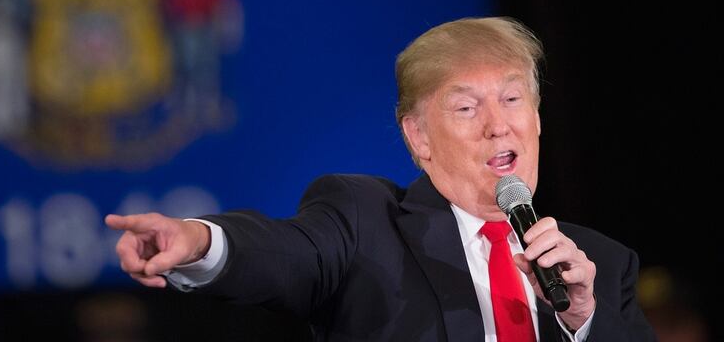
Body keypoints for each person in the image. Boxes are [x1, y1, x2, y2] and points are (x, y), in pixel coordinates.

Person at [105, 17, 655, 341]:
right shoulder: (364, 223)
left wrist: (584, 319)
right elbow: (284, 254)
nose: (497, 125)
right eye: (466, 109)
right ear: (417, 138)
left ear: (536, 119)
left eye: (513, 100)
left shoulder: (599, 267)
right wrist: (199, 242)